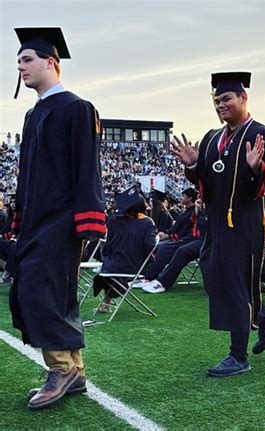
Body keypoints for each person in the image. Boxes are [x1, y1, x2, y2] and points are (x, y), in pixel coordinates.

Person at [9, 28, 106, 410]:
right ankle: (75, 371)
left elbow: (87, 169)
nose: (21, 68)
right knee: (50, 291)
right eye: (17, 62)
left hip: (63, 220)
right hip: (36, 220)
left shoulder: (75, 108)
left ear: (52, 62)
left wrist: (89, 221)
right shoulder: (34, 114)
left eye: (27, 60)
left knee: (40, 289)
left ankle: (61, 369)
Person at [172, 71, 265, 377]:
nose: (220, 105)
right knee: (214, 277)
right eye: (216, 101)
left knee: (238, 284)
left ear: (243, 98)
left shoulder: (263, 133)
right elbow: (206, 181)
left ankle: (238, 356)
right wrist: (193, 165)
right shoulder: (212, 137)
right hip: (218, 222)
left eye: (226, 99)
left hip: (248, 222)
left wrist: (257, 167)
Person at [92, 186, 157, 312]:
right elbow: (150, 245)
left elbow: (108, 243)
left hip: (111, 264)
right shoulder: (148, 223)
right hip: (135, 265)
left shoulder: (115, 220)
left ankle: (106, 302)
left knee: (110, 266)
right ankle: (107, 302)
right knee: (113, 268)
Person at [141, 200, 207, 293]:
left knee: (180, 250)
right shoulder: (200, 210)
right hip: (192, 238)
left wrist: (171, 236)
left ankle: (162, 282)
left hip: (206, 240)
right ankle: (148, 277)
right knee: (163, 247)